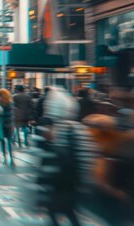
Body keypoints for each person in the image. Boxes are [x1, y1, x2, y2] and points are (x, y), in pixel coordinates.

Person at [36, 87, 98, 226]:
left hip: (56, 185)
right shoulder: (78, 129)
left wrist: (41, 192)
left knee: (56, 214)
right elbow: (86, 157)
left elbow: (44, 161)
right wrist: (85, 182)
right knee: (70, 213)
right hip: (71, 184)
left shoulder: (49, 130)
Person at [0, 89, 15, 167]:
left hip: (1, 125)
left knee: (2, 142)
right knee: (9, 142)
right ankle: (11, 158)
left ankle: (5, 158)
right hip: (9, 125)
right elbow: (12, 115)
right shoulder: (11, 103)